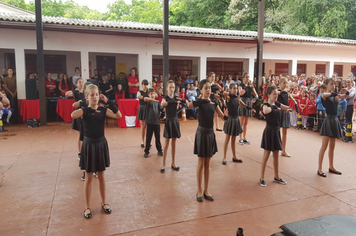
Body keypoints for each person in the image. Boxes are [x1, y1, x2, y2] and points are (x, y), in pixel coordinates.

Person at [71, 84, 121, 219]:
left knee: (101, 175)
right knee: (88, 177)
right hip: (88, 144)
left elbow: (119, 116)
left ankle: (104, 203)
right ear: (87, 97)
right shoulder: (85, 110)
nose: (95, 97)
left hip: (100, 144)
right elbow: (73, 114)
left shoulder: (103, 110)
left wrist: (109, 102)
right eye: (92, 95)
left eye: (97, 94)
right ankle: (87, 207)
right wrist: (84, 106)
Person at [188, 79, 226, 202]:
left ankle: (206, 189)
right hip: (201, 132)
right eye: (205, 88)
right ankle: (199, 189)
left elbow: (222, 116)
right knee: (200, 162)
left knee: (208, 164)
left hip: (210, 133)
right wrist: (200, 100)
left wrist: (228, 114)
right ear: (200, 89)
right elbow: (189, 105)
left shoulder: (214, 102)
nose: (208, 90)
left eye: (209, 87)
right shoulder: (200, 102)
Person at [259, 86, 292, 187]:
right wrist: (276, 108)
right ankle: (262, 177)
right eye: (274, 94)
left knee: (276, 155)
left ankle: (276, 176)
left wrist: (290, 108)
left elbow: (285, 107)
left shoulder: (276, 104)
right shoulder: (266, 105)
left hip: (277, 131)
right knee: (266, 155)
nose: (276, 96)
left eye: (277, 94)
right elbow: (266, 111)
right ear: (268, 95)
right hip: (269, 131)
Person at [222, 83, 255, 165]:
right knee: (227, 139)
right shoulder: (229, 97)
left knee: (233, 140)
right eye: (233, 88)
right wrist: (232, 95)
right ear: (230, 89)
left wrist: (251, 109)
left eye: (236, 88)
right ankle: (224, 157)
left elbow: (244, 105)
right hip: (230, 119)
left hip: (236, 119)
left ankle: (234, 156)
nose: (235, 90)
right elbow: (224, 93)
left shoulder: (237, 98)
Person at [317, 78, 344, 177]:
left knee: (332, 147)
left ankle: (331, 166)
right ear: (326, 85)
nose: (333, 86)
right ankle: (319, 169)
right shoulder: (325, 95)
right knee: (324, 146)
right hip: (328, 120)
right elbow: (324, 95)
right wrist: (334, 94)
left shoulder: (334, 96)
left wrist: (346, 92)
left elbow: (344, 96)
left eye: (334, 84)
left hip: (335, 120)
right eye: (331, 84)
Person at [160, 81, 186, 172]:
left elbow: (182, 103)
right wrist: (173, 102)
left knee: (174, 143)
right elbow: (162, 104)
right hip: (168, 121)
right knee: (166, 144)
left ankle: (173, 163)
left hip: (175, 121)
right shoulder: (165, 98)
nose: (172, 89)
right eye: (170, 87)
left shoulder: (176, 97)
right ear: (167, 88)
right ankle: (163, 164)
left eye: (173, 87)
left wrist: (182, 102)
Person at [65, 78, 85, 160]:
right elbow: (67, 93)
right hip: (78, 115)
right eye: (79, 82)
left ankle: (85, 151)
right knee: (79, 135)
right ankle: (80, 153)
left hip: (85, 115)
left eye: (82, 82)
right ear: (76, 84)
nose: (81, 84)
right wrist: (75, 91)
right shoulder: (76, 92)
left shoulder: (85, 92)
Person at [277, 78, 298, 157]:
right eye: (283, 83)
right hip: (279, 112)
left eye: (286, 83)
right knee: (277, 131)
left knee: (285, 132)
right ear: (280, 83)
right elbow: (276, 96)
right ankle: (275, 148)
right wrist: (284, 92)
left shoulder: (287, 93)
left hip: (286, 112)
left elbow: (293, 100)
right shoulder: (278, 92)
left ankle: (283, 150)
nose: (285, 84)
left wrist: (297, 109)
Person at [238, 72, 258, 145]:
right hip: (242, 102)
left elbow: (256, 95)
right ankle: (240, 138)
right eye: (246, 77)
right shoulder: (241, 85)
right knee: (241, 122)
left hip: (249, 102)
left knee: (246, 123)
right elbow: (240, 93)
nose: (248, 78)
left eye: (248, 77)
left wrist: (254, 99)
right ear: (243, 77)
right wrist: (247, 88)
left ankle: (244, 138)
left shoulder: (251, 86)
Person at [143, 88, 163, 158]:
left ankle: (159, 150)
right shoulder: (148, 102)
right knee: (148, 137)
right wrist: (152, 99)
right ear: (148, 94)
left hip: (157, 122)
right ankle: (146, 151)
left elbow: (162, 109)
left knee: (157, 137)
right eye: (151, 94)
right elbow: (145, 99)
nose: (152, 95)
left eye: (153, 94)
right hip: (149, 122)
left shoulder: (157, 103)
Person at [137, 79, 149, 148]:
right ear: (142, 85)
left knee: (148, 126)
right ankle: (142, 141)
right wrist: (146, 98)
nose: (145, 86)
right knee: (143, 126)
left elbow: (155, 94)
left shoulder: (148, 91)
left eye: (146, 85)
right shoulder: (140, 91)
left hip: (147, 108)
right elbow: (138, 96)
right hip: (142, 108)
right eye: (144, 85)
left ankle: (147, 141)